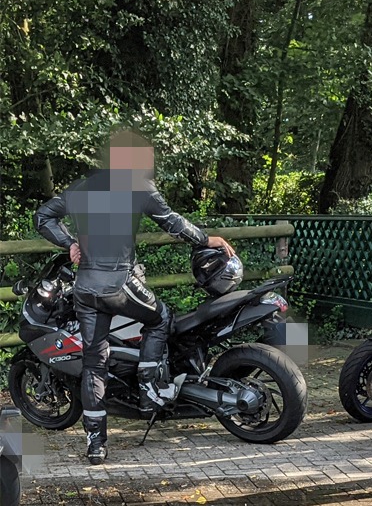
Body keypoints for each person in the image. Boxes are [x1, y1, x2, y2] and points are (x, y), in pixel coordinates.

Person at [34, 128, 234, 465]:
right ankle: (148, 391)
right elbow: (172, 223)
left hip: (85, 289)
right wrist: (206, 240)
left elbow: (42, 217)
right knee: (161, 318)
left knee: (94, 365)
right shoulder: (136, 186)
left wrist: (68, 243)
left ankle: (96, 447)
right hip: (120, 284)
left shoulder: (83, 187)